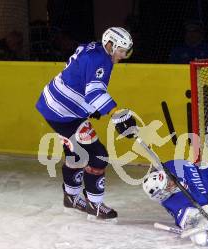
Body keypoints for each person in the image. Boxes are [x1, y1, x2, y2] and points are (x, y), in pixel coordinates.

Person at [36, 27, 137, 222]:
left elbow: (78, 76)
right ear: (110, 45)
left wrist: (90, 108)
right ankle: (94, 204)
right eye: (122, 50)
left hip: (53, 106)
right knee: (98, 156)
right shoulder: (101, 61)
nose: (124, 55)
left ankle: (71, 197)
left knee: (77, 153)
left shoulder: (92, 49)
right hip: (64, 114)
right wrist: (117, 114)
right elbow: (95, 93)